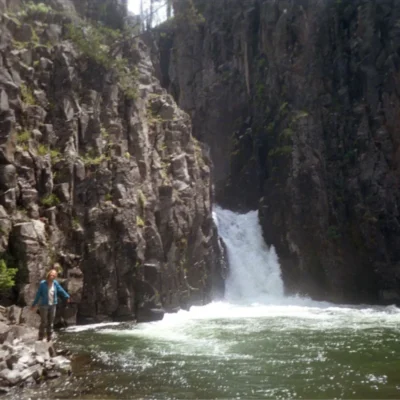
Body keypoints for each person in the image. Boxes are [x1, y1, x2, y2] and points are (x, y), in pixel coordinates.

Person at [31, 266, 70, 341]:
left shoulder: (55, 283)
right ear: (48, 275)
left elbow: (61, 290)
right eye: (52, 274)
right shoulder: (43, 283)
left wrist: (67, 296)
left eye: (54, 275)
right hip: (44, 305)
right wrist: (34, 304)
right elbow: (38, 294)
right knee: (44, 322)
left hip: (53, 305)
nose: (53, 276)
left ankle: (49, 337)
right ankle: (41, 336)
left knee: (51, 322)